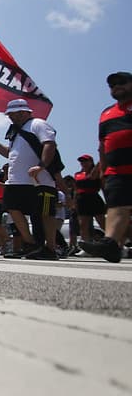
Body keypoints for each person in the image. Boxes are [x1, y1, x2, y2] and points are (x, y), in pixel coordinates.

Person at [0, 98, 60, 260]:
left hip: (40, 180)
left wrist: (41, 166)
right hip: (16, 180)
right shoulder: (14, 132)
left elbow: (49, 144)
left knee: (45, 214)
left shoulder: (38, 124)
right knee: (12, 207)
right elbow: (8, 153)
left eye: (17, 113)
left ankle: (50, 248)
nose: (13, 117)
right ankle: (30, 243)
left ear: (26, 112)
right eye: (11, 114)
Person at [81, 71, 132, 262]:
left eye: (122, 82)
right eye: (112, 85)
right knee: (116, 206)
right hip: (116, 170)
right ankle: (110, 244)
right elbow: (103, 144)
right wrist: (102, 169)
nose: (117, 86)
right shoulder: (107, 113)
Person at [73, 154, 106, 247]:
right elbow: (76, 189)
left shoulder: (97, 172)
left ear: (91, 162)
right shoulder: (77, 174)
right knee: (83, 224)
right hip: (82, 199)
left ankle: (115, 241)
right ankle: (86, 245)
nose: (83, 163)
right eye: (81, 161)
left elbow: (92, 177)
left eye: (86, 161)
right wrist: (74, 203)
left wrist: (100, 161)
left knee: (102, 222)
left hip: (93, 197)